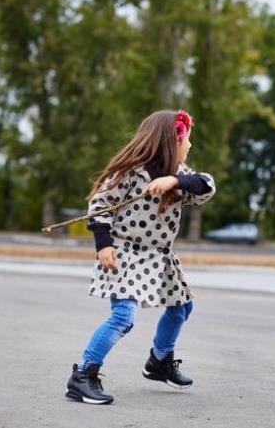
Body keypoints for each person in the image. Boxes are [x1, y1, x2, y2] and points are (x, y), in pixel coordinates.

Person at [65, 109, 215, 404]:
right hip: (125, 253)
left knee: (181, 308)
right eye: (187, 141)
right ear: (172, 141)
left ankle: (159, 360)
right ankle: (82, 374)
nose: (190, 146)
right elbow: (99, 205)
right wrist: (104, 245)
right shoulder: (130, 173)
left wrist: (175, 181)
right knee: (123, 317)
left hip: (160, 255)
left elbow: (206, 185)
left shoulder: (181, 175)